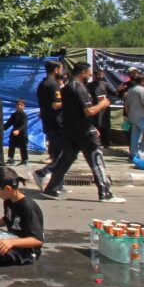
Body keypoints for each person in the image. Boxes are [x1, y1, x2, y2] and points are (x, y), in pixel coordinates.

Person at [33, 62, 124, 203]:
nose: (90, 75)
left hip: (70, 131)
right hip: (84, 131)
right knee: (96, 160)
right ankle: (105, 193)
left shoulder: (66, 88)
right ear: (83, 72)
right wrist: (103, 104)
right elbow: (89, 111)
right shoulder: (79, 88)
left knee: (65, 160)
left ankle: (51, 189)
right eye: (89, 72)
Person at [35, 60, 63, 168]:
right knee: (60, 155)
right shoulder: (53, 85)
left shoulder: (42, 84)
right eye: (60, 69)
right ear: (56, 70)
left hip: (47, 120)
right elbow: (56, 104)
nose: (61, 71)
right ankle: (47, 173)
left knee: (56, 153)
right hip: (56, 122)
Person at [124, 74, 144, 159]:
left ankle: (133, 154)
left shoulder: (131, 90)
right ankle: (142, 153)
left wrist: (129, 115)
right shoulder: (142, 90)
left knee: (135, 135)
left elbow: (126, 105)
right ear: (142, 82)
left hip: (133, 116)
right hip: (141, 115)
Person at [87, 68, 112, 147]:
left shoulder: (105, 84)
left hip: (105, 110)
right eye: (99, 74)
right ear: (94, 75)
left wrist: (119, 90)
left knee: (105, 126)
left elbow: (114, 92)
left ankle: (106, 144)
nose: (101, 76)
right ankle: (96, 143)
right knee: (96, 125)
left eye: (102, 74)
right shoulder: (89, 85)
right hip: (95, 109)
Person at [5, 99, 29, 166]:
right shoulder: (14, 115)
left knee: (23, 147)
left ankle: (24, 160)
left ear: (24, 106)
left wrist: (18, 130)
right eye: (18, 104)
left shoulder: (24, 115)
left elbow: (24, 125)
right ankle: (11, 159)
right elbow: (9, 123)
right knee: (11, 145)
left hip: (22, 134)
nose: (19, 106)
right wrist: (1, 128)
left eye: (21, 105)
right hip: (14, 133)